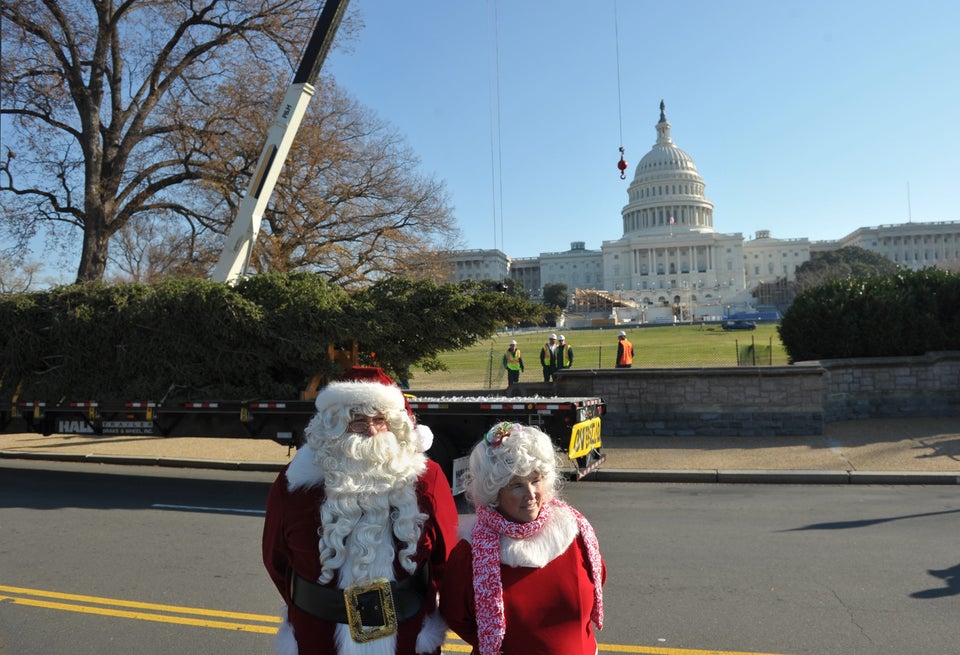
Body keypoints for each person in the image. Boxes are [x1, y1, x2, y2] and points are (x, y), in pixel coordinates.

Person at [262, 367, 460, 655]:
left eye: (380, 420)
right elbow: (276, 560)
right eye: (357, 421)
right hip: (319, 637)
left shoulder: (426, 479)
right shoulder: (295, 483)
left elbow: (449, 561)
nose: (371, 430)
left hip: (407, 636)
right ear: (334, 427)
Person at [439, 422, 606, 655]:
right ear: (494, 492)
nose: (530, 494)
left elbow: (598, 581)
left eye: (535, 480)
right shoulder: (471, 552)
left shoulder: (575, 533)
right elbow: (457, 615)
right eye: (516, 485)